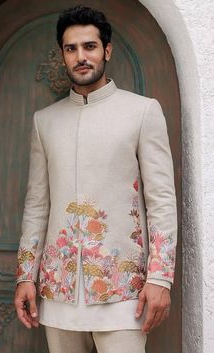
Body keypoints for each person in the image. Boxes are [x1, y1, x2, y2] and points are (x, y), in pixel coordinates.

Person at [14, 5, 177, 353]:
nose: (81, 56)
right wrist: (26, 276)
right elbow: (37, 205)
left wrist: (160, 278)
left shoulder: (142, 112)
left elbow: (161, 200)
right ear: (63, 56)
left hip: (124, 296)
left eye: (89, 46)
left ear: (107, 50)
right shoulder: (46, 121)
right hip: (58, 295)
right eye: (71, 49)